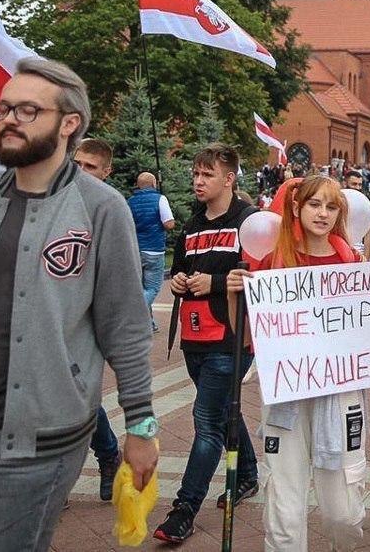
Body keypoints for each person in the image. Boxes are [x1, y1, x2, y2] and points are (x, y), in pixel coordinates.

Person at [0, 58, 158, 550]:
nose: (9, 119)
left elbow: (124, 327)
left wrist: (142, 426)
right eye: (4, 107)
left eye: (27, 109)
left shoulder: (101, 208)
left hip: (44, 435)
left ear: (69, 123)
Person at [226, 176, 370, 550]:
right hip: (287, 396)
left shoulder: (351, 260)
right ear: (297, 208)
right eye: (314, 204)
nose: (322, 213)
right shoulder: (275, 261)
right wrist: (235, 294)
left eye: (331, 206)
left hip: (339, 394)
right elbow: (248, 336)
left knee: (343, 513)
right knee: (284, 510)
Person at [154, 143, 259, 544]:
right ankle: (248, 473)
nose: (198, 181)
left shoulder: (248, 222)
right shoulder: (194, 224)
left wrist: (214, 283)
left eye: (207, 175)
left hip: (231, 338)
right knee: (222, 410)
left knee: (207, 423)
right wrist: (179, 280)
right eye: (196, 174)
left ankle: (184, 509)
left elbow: (256, 274)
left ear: (229, 179)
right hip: (194, 336)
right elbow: (181, 266)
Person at [70, 137, 128, 501]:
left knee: (80, 395)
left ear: (106, 171)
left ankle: (107, 455)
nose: (81, 173)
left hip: (92, 319)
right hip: (54, 316)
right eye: (77, 165)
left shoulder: (110, 211)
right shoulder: (52, 204)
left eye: (90, 167)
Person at [128, 172, 176, 332]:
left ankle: (149, 324)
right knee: (153, 288)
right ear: (154, 183)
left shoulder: (131, 201)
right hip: (154, 249)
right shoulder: (160, 199)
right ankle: (132, 314)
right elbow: (169, 223)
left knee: (142, 288)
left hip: (136, 250)